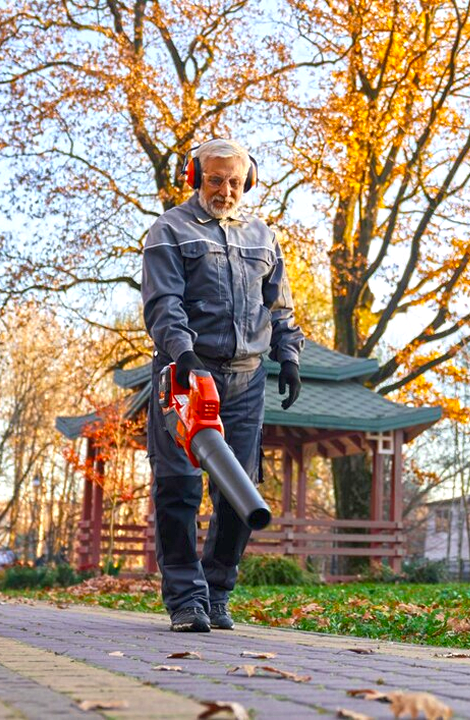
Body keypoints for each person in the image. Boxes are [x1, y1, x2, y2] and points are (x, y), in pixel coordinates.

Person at [142, 138, 304, 632]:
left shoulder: (263, 236)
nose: (226, 189)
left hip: (246, 379)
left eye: (235, 181)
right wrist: (183, 353)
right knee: (179, 487)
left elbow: (280, 307)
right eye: (215, 179)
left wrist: (289, 357)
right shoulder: (169, 230)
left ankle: (216, 593)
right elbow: (163, 302)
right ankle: (185, 600)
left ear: (247, 182)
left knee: (239, 491)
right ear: (196, 177)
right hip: (186, 374)